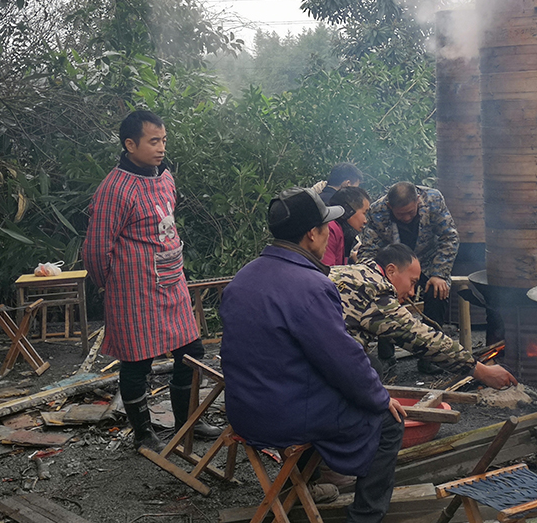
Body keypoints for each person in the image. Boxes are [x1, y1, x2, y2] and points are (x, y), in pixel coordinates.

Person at [220, 187, 406, 523]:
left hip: (244, 411)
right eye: (325, 228)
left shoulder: (242, 277)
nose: (328, 235)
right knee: (388, 421)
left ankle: (301, 486)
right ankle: (365, 517)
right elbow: (343, 360)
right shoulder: (310, 285)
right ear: (311, 234)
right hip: (283, 416)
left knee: (329, 390)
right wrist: (379, 398)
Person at [83, 110, 216, 451]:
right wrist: (109, 286)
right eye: (153, 141)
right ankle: (144, 435)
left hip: (172, 284)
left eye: (163, 140)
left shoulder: (165, 178)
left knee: (192, 353)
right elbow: (97, 250)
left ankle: (189, 421)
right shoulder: (113, 190)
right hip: (133, 291)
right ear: (130, 144)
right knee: (136, 361)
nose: (160, 148)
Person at [331, 243, 518, 389]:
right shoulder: (374, 289)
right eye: (412, 283)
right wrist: (481, 371)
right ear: (390, 271)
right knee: (369, 373)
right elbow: (421, 338)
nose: (412, 293)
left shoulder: (350, 272)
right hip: (311, 364)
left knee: (370, 365)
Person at [359, 182, 458, 332]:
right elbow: (368, 250)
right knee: (384, 294)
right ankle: (386, 351)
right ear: (389, 206)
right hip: (395, 267)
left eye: (410, 212)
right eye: (400, 214)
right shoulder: (377, 211)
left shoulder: (433, 199)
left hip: (429, 262)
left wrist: (439, 274)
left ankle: (431, 344)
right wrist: (375, 279)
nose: (406, 218)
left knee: (437, 291)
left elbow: (449, 237)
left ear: (418, 200)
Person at [322, 186, 371, 266]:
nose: (365, 221)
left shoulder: (342, 232)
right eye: (364, 213)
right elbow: (327, 271)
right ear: (349, 210)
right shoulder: (330, 229)